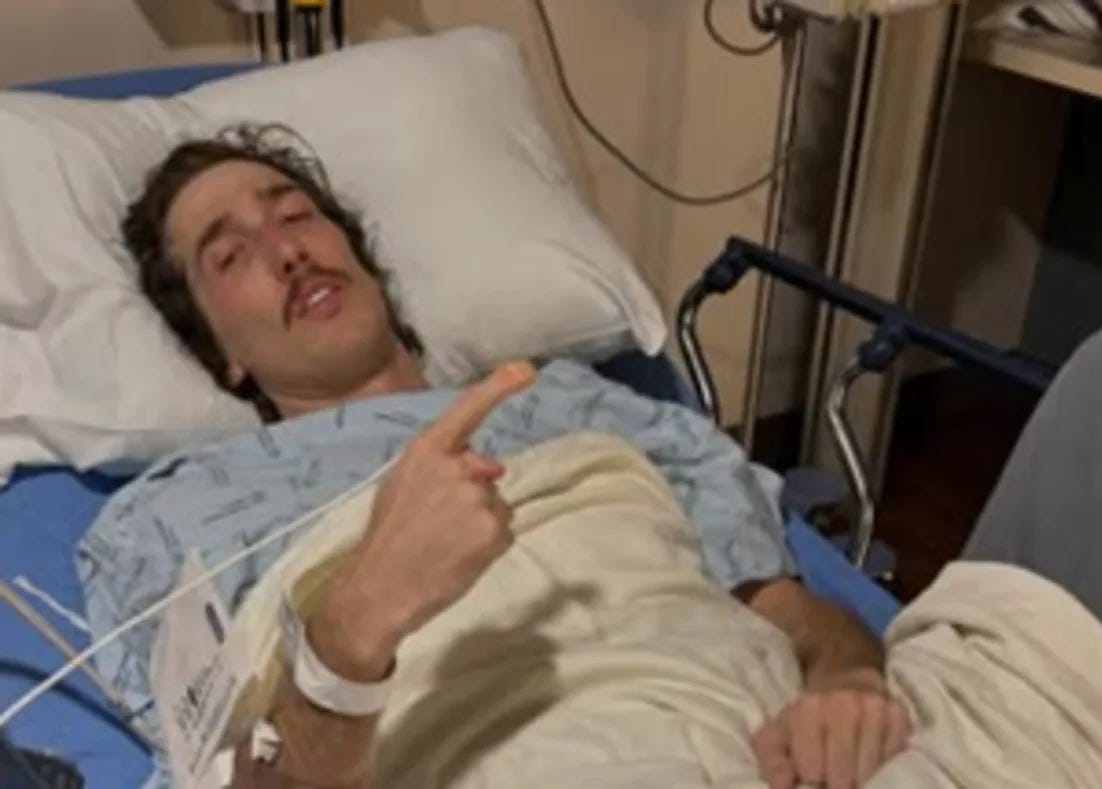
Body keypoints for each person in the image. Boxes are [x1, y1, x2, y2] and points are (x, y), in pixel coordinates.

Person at [83, 125, 908, 789]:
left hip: (761, 732)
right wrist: (353, 624)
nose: (286, 251)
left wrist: (848, 684)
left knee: (983, 629)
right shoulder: (172, 520)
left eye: (295, 214)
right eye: (229, 256)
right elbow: (237, 777)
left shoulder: (580, 401)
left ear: (361, 256)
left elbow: (785, 612)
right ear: (219, 352)